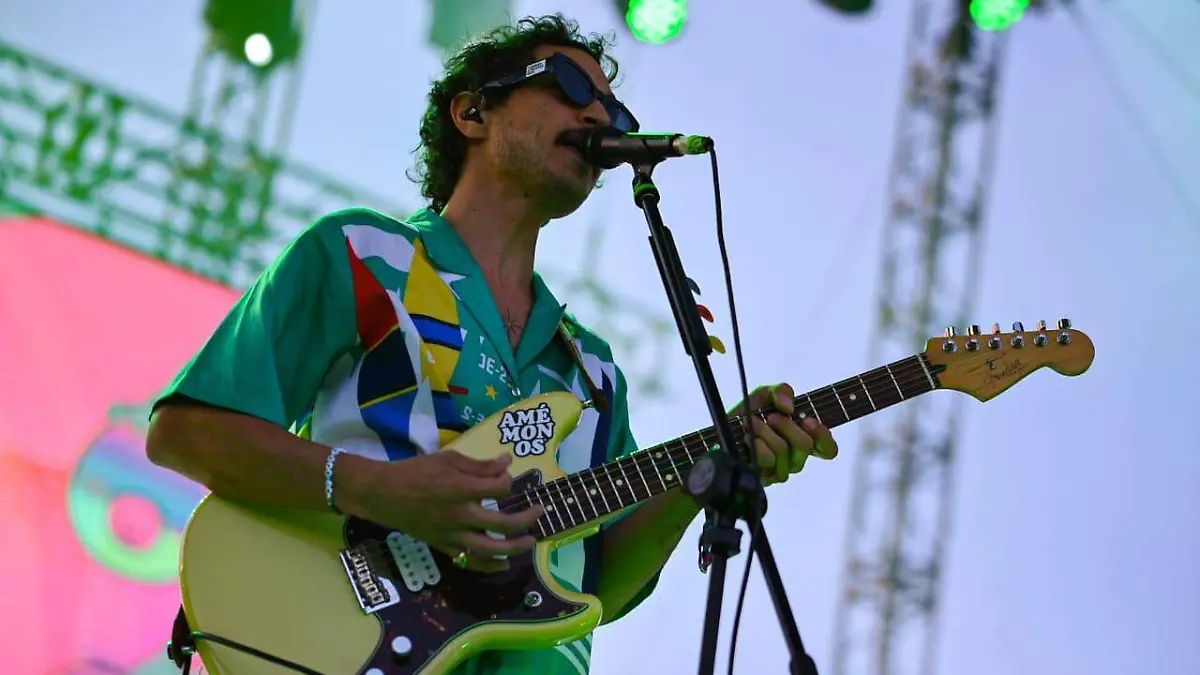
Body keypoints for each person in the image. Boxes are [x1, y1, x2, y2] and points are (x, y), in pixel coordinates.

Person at [146, 13, 838, 675]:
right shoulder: (363, 254)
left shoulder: (593, 370)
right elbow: (183, 432)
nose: (601, 118)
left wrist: (712, 469)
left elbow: (601, 581)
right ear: (473, 113)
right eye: (569, 89)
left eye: (616, 111)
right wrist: (380, 490)